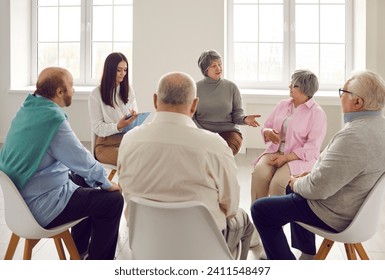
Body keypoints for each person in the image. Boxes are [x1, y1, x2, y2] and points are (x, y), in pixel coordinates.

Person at [117, 71, 254, 260]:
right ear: (195, 105)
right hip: (203, 247)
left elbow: (126, 190)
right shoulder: (214, 146)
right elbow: (231, 206)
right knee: (244, 221)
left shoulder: (129, 141)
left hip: (147, 243)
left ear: (156, 100)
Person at [250, 70, 385, 260]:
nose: (340, 98)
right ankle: (307, 252)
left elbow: (317, 189)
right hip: (355, 209)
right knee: (287, 186)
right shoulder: (378, 128)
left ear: (358, 102)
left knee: (261, 209)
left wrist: (296, 182)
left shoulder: (353, 136)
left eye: (343, 93)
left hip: (333, 212)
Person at [0, 67, 124, 260]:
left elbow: (76, 163)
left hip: (21, 203)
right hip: (42, 208)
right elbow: (81, 158)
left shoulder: (28, 109)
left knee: (80, 179)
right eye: (71, 86)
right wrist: (107, 183)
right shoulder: (52, 120)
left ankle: (80, 250)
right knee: (113, 201)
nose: (73, 90)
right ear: (59, 91)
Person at [251, 70, 327, 201]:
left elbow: (312, 148)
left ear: (305, 89)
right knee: (259, 175)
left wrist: (286, 158)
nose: (289, 86)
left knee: (278, 184)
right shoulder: (282, 105)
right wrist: (268, 132)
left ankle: (276, 220)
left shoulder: (317, 113)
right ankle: (259, 218)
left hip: (298, 158)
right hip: (275, 151)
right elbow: (266, 126)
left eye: (294, 85)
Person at [193, 49, 260, 155]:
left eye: (220, 64)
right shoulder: (195, 88)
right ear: (205, 69)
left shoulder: (231, 87)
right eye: (213, 66)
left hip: (228, 131)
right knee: (203, 155)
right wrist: (202, 133)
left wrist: (245, 119)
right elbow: (191, 117)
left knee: (222, 154)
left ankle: (221, 171)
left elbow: (237, 114)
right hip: (203, 131)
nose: (218, 68)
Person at [88, 52, 138, 165]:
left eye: (125, 70)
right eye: (119, 70)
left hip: (127, 140)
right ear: (110, 70)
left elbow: (135, 115)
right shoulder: (96, 94)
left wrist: (134, 118)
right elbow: (97, 127)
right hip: (106, 144)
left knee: (148, 156)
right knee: (132, 161)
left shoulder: (128, 90)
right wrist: (118, 126)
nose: (123, 74)